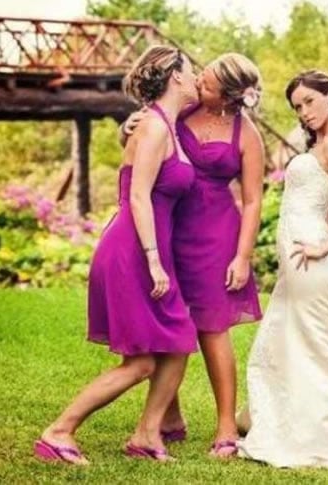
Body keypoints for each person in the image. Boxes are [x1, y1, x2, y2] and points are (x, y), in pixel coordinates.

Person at [35, 45, 199, 464]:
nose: (197, 76)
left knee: (178, 340)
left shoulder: (163, 124)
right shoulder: (155, 127)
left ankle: (147, 434)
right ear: (176, 76)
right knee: (141, 362)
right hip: (134, 250)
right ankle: (59, 431)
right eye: (192, 69)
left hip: (147, 246)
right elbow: (139, 196)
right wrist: (153, 259)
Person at [237, 70, 328, 468]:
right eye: (297, 107)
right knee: (292, 335)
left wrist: (325, 244)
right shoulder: (323, 143)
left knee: (312, 339)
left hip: (311, 256)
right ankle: (285, 416)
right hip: (301, 255)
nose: (304, 112)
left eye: (309, 101)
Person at [122, 53, 264, 456]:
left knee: (212, 329)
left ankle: (226, 427)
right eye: (201, 75)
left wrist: (242, 256)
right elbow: (144, 142)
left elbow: (253, 200)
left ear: (230, 95)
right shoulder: (181, 109)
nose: (199, 81)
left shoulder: (246, 134)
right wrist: (126, 126)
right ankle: (169, 417)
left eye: (209, 82)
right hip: (169, 225)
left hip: (215, 234)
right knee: (166, 321)